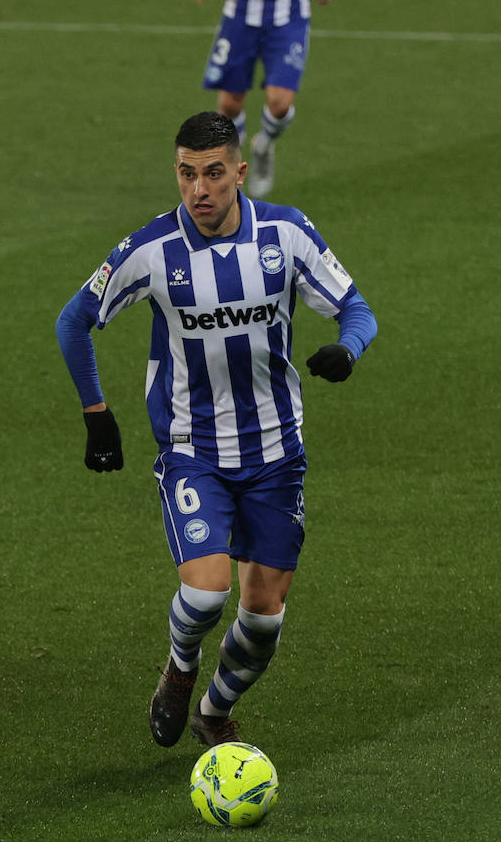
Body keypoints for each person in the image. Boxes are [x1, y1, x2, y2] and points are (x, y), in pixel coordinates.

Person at [55, 111, 376, 747]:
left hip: (277, 454)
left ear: (238, 172)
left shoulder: (286, 233)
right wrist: (97, 414)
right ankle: (179, 670)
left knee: (262, 623)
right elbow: (74, 320)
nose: (198, 190)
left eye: (212, 175)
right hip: (191, 450)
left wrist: (348, 349)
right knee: (204, 599)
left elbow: (355, 308)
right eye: (185, 174)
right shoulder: (153, 250)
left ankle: (213, 708)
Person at [189, 0, 335, 196]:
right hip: (240, 10)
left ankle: (264, 145)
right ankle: (233, 167)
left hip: (290, 13)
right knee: (229, 105)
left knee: (280, 103)